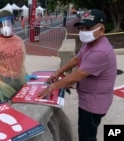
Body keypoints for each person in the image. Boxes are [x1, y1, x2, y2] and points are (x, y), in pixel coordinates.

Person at [38, 9, 117, 141]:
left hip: (94, 104)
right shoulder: (90, 43)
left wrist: (51, 87)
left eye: (88, 28)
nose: (84, 32)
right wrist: (58, 72)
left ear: (101, 29)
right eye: (82, 28)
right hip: (88, 98)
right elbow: (76, 59)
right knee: (86, 131)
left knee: (87, 136)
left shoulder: (101, 51)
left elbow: (76, 76)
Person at [0, 10, 37, 103]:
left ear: (12, 23)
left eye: (8, 23)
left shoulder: (18, 41)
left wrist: (25, 75)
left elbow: (20, 62)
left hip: (19, 80)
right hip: (3, 83)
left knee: (20, 107)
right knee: (7, 109)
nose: (5, 27)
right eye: (1, 25)